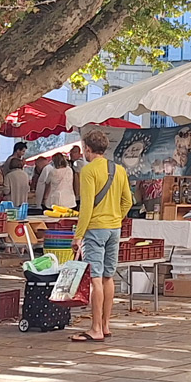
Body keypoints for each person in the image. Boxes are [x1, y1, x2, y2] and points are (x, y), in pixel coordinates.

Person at [73, 128, 134, 343]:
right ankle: (106, 325)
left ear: (88, 149)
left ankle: (95, 328)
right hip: (114, 229)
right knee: (109, 276)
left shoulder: (88, 171)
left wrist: (78, 235)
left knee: (95, 279)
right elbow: (129, 201)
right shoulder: (119, 170)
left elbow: (86, 207)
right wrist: (117, 216)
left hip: (95, 229)